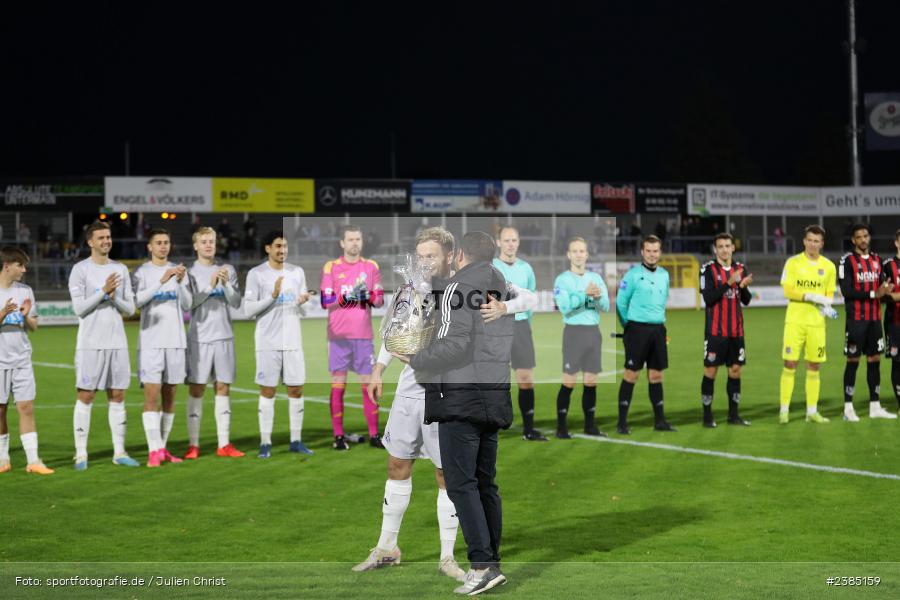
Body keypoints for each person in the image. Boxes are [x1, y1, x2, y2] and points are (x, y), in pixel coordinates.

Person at [353, 227, 535, 581]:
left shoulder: (465, 286)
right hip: (411, 387)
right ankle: (387, 547)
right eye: (419, 255)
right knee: (397, 464)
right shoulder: (413, 288)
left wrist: (504, 307)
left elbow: (529, 297)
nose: (424, 262)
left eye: (431, 256)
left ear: (451, 256)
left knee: (448, 474)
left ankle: (449, 556)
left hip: (446, 392)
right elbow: (397, 332)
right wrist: (378, 367)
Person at [399, 231, 513, 595]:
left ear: (459, 254)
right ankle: (491, 562)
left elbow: (455, 344)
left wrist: (415, 357)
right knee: (485, 483)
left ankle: (481, 566)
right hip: (492, 394)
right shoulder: (501, 286)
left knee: (462, 485)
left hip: (460, 396)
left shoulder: (457, 289)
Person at [69, 221, 140, 470]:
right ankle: (81, 455)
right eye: (101, 238)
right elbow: (79, 308)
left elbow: (130, 309)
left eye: (108, 237)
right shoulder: (80, 270)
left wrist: (114, 297)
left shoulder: (120, 269)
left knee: (118, 395)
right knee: (86, 395)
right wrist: (103, 291)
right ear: (90, 242)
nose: (106, 241)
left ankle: (119, 452)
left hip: (117, 342)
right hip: (90, 343)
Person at [243, 231, 312, 458]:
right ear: (267, 248)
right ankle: (265, 442)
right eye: (278, 246)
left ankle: (296, 440)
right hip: (267, 343)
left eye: (285, 247)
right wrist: (273, 295)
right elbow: (248, 310)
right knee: (268, 390)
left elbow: (305, 311)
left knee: (296, 389)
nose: (282, 250)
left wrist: (303, 303)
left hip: (292, 341)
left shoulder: (296, 272)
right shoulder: (256, 274)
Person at [320, 225, 384, 450]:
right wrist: (348, 295)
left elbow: (379, 300)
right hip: (338, 337)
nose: (354, 243)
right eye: (350, 239)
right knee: (339, 385)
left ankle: (375, 435)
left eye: (358, 239)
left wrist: (367, 295)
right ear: (342, 243)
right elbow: (325, 301)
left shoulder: (371, 266)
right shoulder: (332, 267)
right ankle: (338, 436)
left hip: (363, 337)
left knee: (368, 385)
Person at [132, 229, 193, 467]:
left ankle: (163, 448)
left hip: (176, 342)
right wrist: (162, 280)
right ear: (149, 246)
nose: (163, 246)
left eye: (166, 242)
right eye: (158, 243)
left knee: (170, 397)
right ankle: (152, 451)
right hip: (151, 343)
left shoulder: (179, 272)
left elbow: (188, 305)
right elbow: (137, 302)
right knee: (151, 395)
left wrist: (179, 283)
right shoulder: (142, 272)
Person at [184, 227, 244, 459]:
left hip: (224, 337)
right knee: (197, 389)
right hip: (199, 338)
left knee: (223, 388)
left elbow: (236, 302)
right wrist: (210, 285)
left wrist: (226, 284)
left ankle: (224, 444)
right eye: (204, 241)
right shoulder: (189, 273)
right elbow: (190, 304)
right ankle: (194, 445)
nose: (209, 245)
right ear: (196, 246)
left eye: (212, 241)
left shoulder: (227, 269)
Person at [0, 247, 53, 475]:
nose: (24, 269)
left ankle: (33, 460)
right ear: (7, 265)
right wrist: (3, 313)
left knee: (26, 407)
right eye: (20, 265)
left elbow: (34, 327)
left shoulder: (26, 291)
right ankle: (3, 457)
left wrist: (24, 315)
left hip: (22, 359)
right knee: (0, 410)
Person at [615, 234, 675, 433]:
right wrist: (629, 327)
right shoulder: (632, 275)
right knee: (631, 375)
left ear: (660, 252)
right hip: (637, 329)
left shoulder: (665, 275)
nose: (651, 254)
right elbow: (620, 303)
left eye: (655, 251)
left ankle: (660, 421)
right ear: (642, 252)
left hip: (658, 329)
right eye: (648, 251)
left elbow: (663, 299)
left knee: (656, 376)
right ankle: (622, 423)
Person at [778, 225, 837, 424]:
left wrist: (826, 306)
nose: (813, 244)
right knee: (790, 363)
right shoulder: (793, 262)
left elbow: (829, 295)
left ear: (822, 243)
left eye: (817, 241)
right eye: (810, 240)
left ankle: (812, 411)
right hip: (795, 322)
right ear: (804, 241)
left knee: (814, 365)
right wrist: (808, 296)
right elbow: (787, 291)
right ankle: (784, 410)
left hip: (817, 324)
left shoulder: (829, 266)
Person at [553, 237, 610, 438]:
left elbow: (606, 307)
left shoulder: (596, 279)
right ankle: (561, 427)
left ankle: (590, 426)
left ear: (587, 254)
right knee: (569, 381)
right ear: (568, 255)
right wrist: (585, 295)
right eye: (574, 251)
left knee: (591, 381)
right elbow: (565, 308)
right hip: (573, 333)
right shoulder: (562, 280)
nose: (578, 254)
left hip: (593, 333)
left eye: (582, 251)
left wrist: (598, 297)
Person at [492, 226, 545, 441]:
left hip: (521, 327)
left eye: (514, 240)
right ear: (498, 243)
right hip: (498, 328)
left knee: (525, 378)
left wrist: (526, 325)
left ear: (519, 242)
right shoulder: (491, 266)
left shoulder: (526, 268)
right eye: (506, 240)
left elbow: (529, 300)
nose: (510, 244)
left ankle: (529, 429)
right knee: (496, 380)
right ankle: (492, 426)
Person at [839, 224, 896, 421]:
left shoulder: (877, 260)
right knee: (853, 360)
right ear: (853, 240)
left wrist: (886, 289)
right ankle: (848, 407)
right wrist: (874, 293)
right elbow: (846, 291)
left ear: (869, 237)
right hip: (856, 320)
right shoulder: (847, 261)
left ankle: (875, 406)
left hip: (874, 320)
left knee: (875, 360)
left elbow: (883, 285)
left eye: (865, 235)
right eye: (859, 237)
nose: (863, 239)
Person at [699, 233, 752, 427]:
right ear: (715, 249)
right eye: (720, 246)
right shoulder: (707, 270)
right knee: (710, 372)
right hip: (715, 332)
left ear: (733, 248)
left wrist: (743, 287)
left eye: (727, 246)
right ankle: (707, 416)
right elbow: (709, 298)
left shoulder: (741, 268)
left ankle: (733, 415)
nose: (724, 249)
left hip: (736, 332)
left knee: (736, 371)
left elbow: (746, 300)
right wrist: (729, 283)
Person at [882, 229, 900, 410]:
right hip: (895, 323)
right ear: (896, 242)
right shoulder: (888, 265)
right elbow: (883, 295)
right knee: (898, 362)